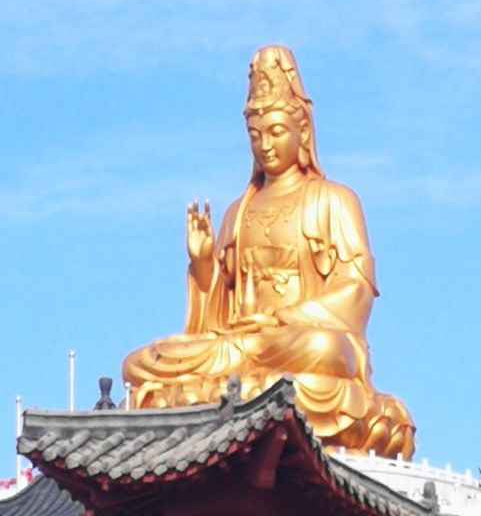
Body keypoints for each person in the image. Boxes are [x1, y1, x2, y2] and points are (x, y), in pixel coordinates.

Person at [122, 45, 414, 458]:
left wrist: (280, 319)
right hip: (241, 345)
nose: (266, 146)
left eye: (276, 132)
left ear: (303, 133)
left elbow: (356, 291)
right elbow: (214, 315)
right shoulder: (237, 211)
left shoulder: (333, 200)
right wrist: (203, 264)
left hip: (298, 341)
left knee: (326, 351)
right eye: (255, 135)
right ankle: (231, 392)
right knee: (141, 364)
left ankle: (238, 395)